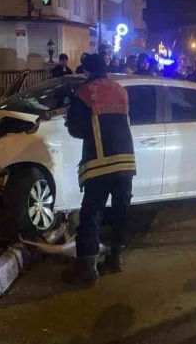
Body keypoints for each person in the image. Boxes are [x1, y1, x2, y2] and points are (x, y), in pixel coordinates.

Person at [62, 54, 136, 287]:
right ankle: (116, 259)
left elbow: (77, 129)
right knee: (121, 212)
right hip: (126, 161)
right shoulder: (120, 90)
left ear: (86, 71)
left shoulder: (85, 92)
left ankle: (88, 270)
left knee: (91, 214)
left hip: (99, 163)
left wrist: (68, 120)